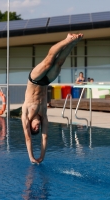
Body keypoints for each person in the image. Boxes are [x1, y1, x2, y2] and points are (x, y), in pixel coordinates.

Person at [21, 33, 83, 164]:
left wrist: (31, 157)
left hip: (34, 79)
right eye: (37, 129)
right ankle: (73, 43)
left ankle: (67, 39)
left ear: (30, 125)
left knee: (49, 61)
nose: (37, 128)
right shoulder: (43, 115)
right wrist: (42, 157)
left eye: (34, 129)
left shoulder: (26, 114)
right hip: (45, 82)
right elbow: (45, 137)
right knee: (59, 63)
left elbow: (27, 138)